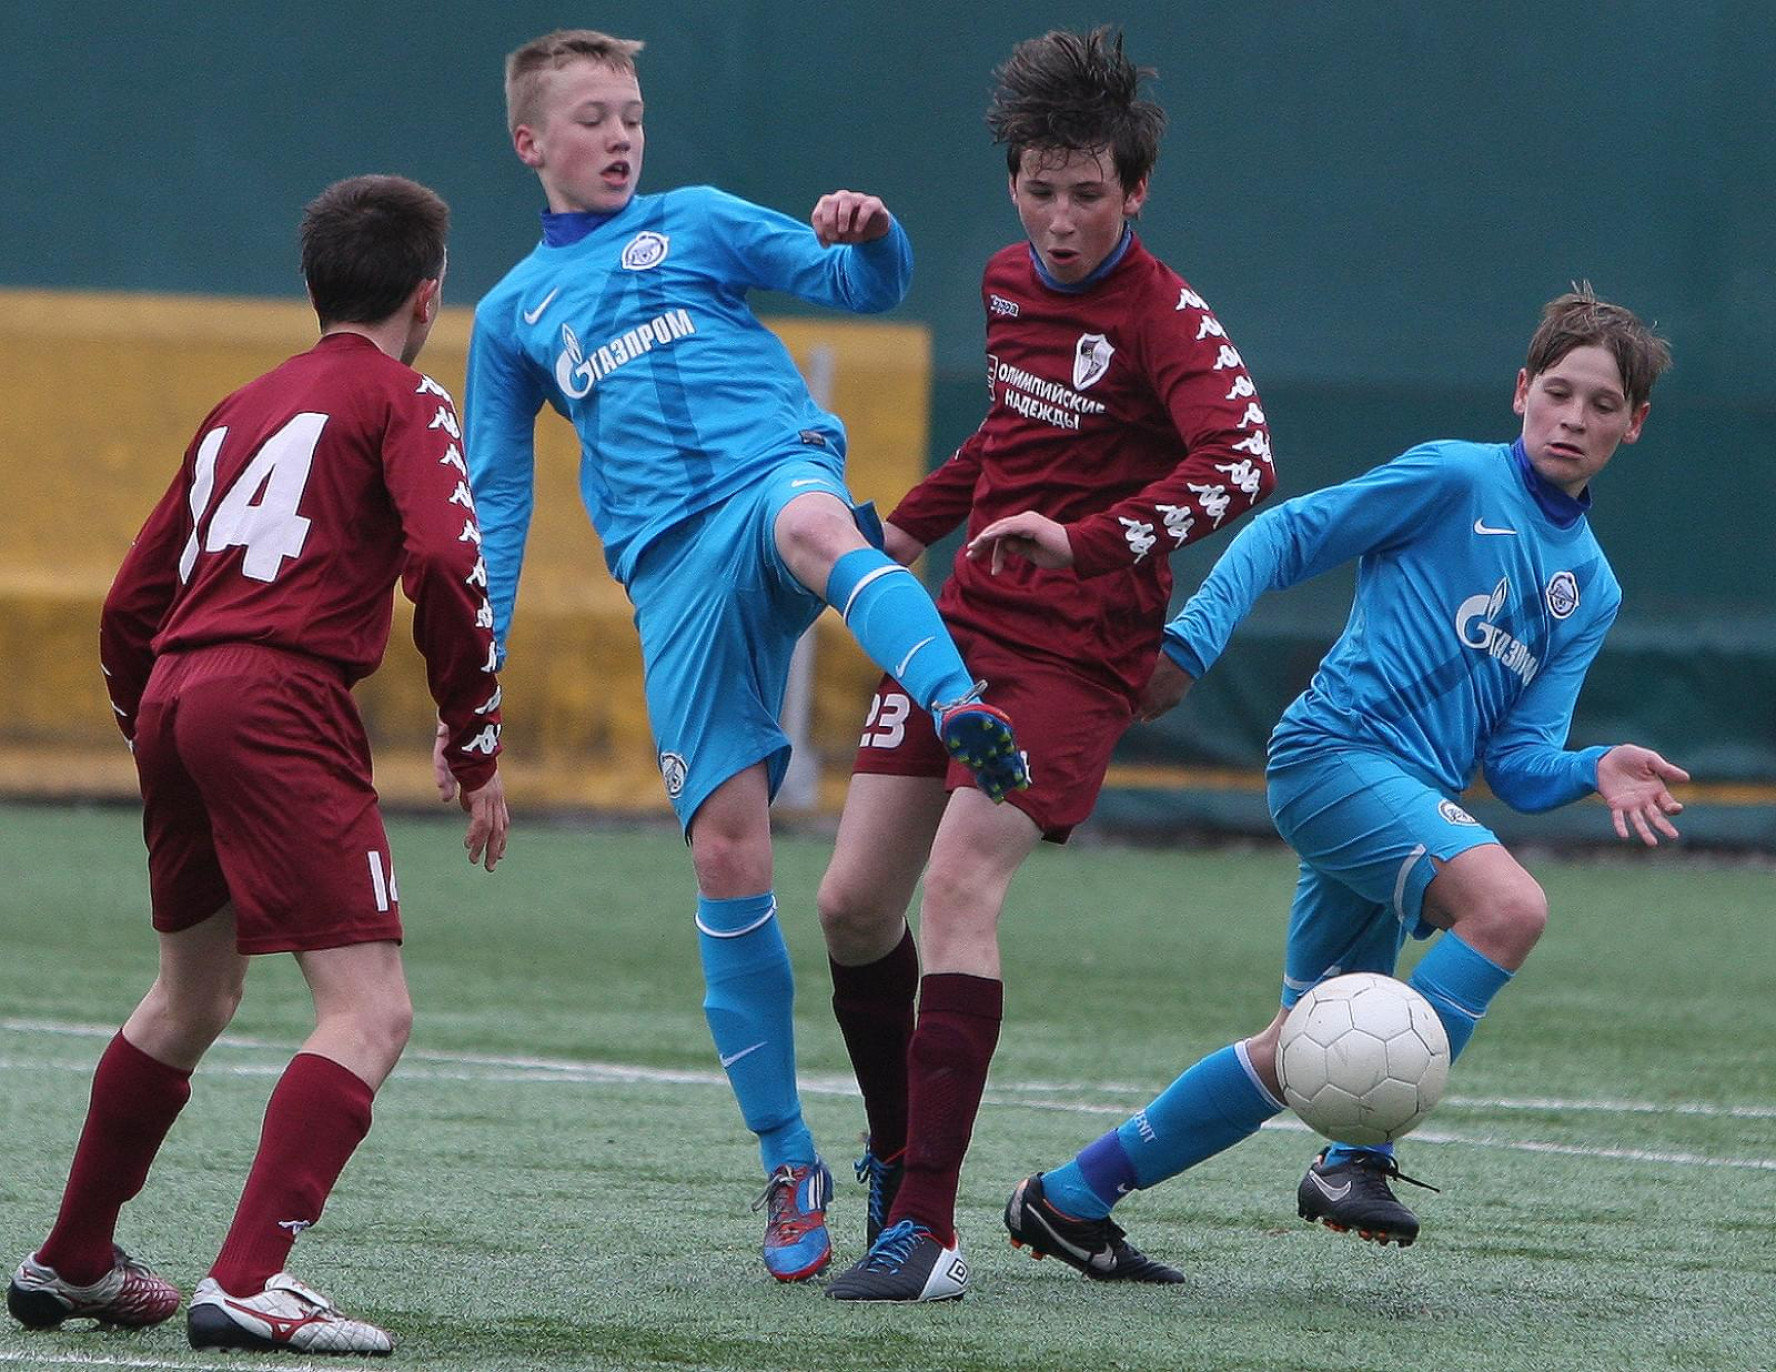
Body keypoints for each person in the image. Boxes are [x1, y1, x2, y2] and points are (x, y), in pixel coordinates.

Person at [463, 29, 1026, 1285]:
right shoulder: (509, 316)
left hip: (769, 476)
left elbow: (860, 287)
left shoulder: (701, 219)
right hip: (667, 573)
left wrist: (869, 232)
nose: (621, 136)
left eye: (634, 113)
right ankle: (788, 1156)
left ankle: (955, 703)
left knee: (820, 520)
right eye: (595, 117)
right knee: (728, 850)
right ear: (530, 143)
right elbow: (497, 507)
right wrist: (475, 680)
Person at [1005, 286, 1685, 1278]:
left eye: (1602, 403)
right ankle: (1358, 1153)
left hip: (1402, 799)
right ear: (1522, 391)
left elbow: (1520, 768)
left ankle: (1069, 1199)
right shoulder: (1455, 477)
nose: (1575, 418)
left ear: (1636, 423)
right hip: (1334, 755)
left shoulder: (1593, 586)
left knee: (1300, 1050)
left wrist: (1595, 767)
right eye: (1560, 391)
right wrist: (1191, 640)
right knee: (1511, 908)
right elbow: (1286, 534)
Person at [5, 175, 510, 1356]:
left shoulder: (241, 405)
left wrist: (157, 725)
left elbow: (132, 600)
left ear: (314, 286)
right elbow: (445, 560)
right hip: (279, 695)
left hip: (179, 689)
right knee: (371, 1010)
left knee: (193, 994)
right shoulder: (406, 399)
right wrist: (475, 738)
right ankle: (246, 1279)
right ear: (429, 296)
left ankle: (72, 1258)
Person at [818, 28, 1277, 1302]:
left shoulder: (1167, 315)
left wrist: (1087, 546)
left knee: (961, 886)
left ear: (1136, 192)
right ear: (1014, 181)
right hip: (957, 633)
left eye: (1089, 194)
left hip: (1078, 658)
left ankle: (924, 1231)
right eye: (1040, 187)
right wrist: (905, 529)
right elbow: (1007, 435)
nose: (1062, 219)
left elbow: (1244, 464)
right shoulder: (1008, 279)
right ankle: (898, 1155)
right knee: (854, 905)